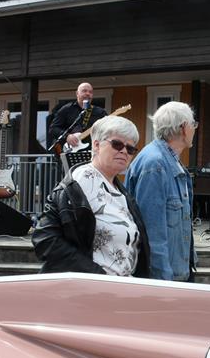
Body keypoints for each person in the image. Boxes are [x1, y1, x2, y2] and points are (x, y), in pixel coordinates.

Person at [32, 115, 150, 277]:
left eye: (130, 149)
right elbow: (45, 240)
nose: (124, 151)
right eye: (117, 144)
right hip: (88, 291)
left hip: (121, 290)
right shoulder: (77, 184)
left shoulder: (120, 191)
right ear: (96, 145)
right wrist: (95, 274)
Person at [125, 101, 197, 282]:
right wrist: (163, 282)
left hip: (175, 270)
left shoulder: (168, 161)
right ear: (183, 128)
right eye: (193, 124)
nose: (195, 129)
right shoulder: (155, 165)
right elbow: (152, 231)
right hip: (165, 277)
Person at [48, 82, 107, 152]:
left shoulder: (100, 112)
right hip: (70, 151)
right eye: (84, 91)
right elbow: (53, 129)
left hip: (92, 152)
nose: (88, 93)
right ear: (77, 93)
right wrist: (67, 136)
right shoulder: (66, 109)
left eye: (90, 92)